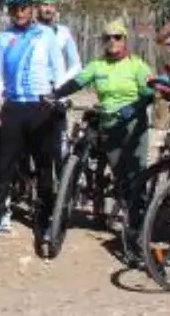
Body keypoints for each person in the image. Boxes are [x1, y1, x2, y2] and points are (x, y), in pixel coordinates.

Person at [50, 20, 154, 254]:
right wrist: (54, 94)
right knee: (121, 178)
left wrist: (135, 106)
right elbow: (77, 82)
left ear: (125, 40)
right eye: (107, 38)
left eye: (117, 37)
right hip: (110, 126)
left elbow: (150, 93)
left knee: (136, 176)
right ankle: (129, 220)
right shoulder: (97, 66)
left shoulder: (137, 65)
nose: (112, 42)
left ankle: (139, 232)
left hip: (133, 126)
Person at [0, 0, 67, 245]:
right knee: (4, 166)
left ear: (32, 8)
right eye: (14, 8)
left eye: (24, 7)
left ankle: (46, 217)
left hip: (41, 106)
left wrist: (59, 98)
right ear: (9, 11)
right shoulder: (4, 38)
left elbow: (57, 70)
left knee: (43, 167)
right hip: (14, 107)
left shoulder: (46, 35)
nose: (19, 12)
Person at [36, 0, 82, 82]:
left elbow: (76, 64)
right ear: (37, 7)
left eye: (52, 6)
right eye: (45, 5)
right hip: (34, 87)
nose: (48, 9)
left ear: (56, 9)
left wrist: (63, 81)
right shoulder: (30, 31)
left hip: (56, 88)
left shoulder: (63, 32)